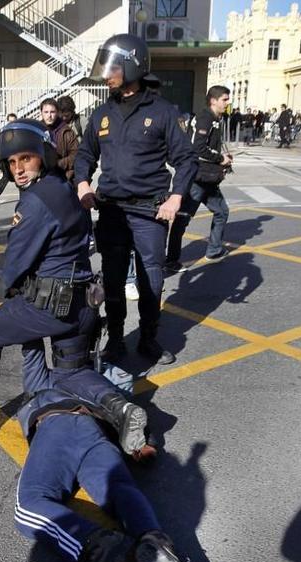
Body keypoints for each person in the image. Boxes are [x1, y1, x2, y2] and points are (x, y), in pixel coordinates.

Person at [15, 387, 204, 562]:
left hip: (55, 425)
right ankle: (154, 540)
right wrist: (148, 443)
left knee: (28, 504)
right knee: (119, 487)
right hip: (94, 430)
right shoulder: (83, 385)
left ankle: (96, 543)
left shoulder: (39, 396)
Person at [0, 119, 95, 438]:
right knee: (72, 381)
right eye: (11, 162)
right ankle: (111, 408)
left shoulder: (34, 201)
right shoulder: (61, 186)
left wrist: (12, 285)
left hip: (51, 305)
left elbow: (14, 267)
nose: (18, 169)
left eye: (25, 158)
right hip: (84, 302)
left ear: (42, 155)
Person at [74, 33, 196, 365]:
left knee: (150, 278)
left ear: (131, 65)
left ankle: (148, 338)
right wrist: (83, 184)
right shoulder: (101, 114)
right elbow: (85, 154)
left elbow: (186, 159)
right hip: (111, 210)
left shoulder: (161, 111)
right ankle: (115, 339)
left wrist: (175, 199)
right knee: (113, 278)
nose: (106, 72)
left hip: (150, 212)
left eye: (112, 65)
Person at [165, 85, 232, 272]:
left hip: (209, 179)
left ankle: (214, 249)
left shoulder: (215, 119)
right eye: (224, 99)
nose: (228, 102)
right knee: (182, 219)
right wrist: (221, 159)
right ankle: (171, 261)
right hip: (197, 178)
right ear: (213, 100)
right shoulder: (205, 119)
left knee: (222, 211)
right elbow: (197, 149)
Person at [40, 98, 79, 181]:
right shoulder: (36, 131)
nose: (49, 115)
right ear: (41, 113)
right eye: (46, 112)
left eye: (52, 112)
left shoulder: (67, 132)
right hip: (41, 179)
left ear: (57, 113)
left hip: (63, 179)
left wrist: (58, 164)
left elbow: (76, 155)